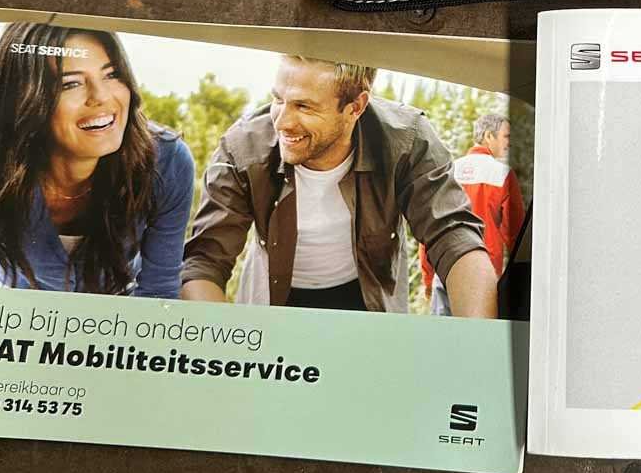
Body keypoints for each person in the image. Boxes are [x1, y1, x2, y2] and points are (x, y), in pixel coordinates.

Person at [180, 55, 498, 316]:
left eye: (304, 106)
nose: (282, 122)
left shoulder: (407, 140)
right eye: (278, 99)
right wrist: (226, 354)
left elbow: (454, 238)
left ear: (355, 107)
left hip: (367, 299)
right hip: (273, 299)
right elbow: (204, 263)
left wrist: (479, 346)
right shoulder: (242, 147)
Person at [0, 23, 194, 297]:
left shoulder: (166, 162)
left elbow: (159, 292)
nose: (102, 97)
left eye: (112, 74)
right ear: (23, 99)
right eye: (70, 83)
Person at [421, 112, 526, 315]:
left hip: (444, 272)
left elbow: (427, 229)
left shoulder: (447, 171)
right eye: (506, 136)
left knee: (441, 334)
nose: (509, 143)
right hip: (483, 277)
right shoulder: (503, 174)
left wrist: (428, 276)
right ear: (488, 136)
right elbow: (516, 236)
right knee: (479, 333)